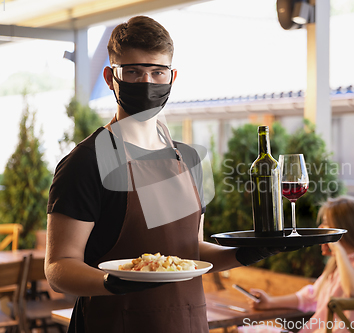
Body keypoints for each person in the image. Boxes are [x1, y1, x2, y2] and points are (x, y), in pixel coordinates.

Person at [45, 16, 286, 333]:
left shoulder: (187, 159)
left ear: (172, 77)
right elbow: (59, 266)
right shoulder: (86, 162)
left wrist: (245, 252)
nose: (147, 82)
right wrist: (111, 282)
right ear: (109, 77)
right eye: (133, 72)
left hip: (187, 322)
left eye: (157, 72)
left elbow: (190, 251)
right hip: (114, 323)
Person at [249, 195, 354, 333]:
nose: (320, 227)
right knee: (247, 329)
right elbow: (311, 296)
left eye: (326, 223)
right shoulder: (338, 263)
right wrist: (270, 302)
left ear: (345, 228)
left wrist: (338, 249)